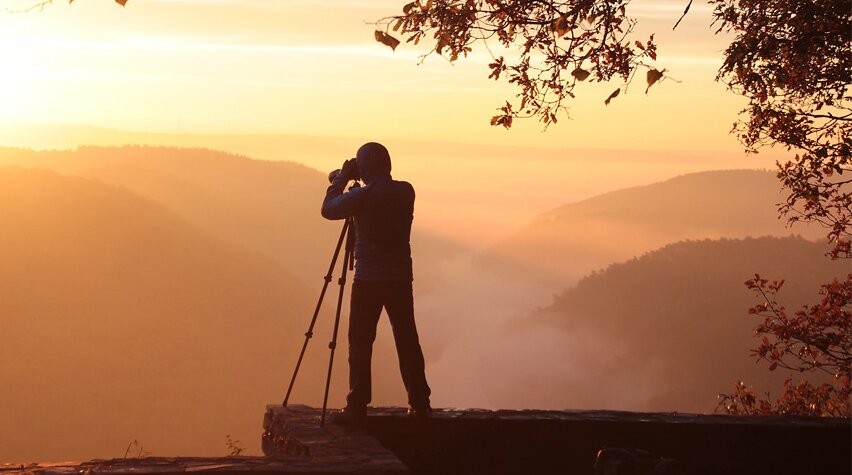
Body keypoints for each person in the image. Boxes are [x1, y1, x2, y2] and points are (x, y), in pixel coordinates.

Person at [321, 142, 432, 425]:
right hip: (400, 278)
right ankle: (420, 403)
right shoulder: (406, 191)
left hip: (368, 279)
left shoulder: (362, 195)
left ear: (366, 165)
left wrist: (342, 177)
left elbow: (328, 209)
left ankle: (357, 405)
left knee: (360, 343)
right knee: (407, 340)